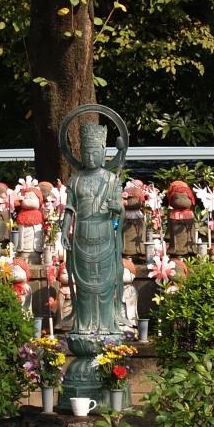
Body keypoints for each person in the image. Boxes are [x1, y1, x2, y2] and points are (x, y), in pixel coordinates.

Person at [63, 120, 125, 340]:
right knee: (85, 286)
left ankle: (107, 325)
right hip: (82, 234)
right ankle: (83, 324)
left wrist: (117, 207)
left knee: (105, 284)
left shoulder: (111, 180)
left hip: (104, 233)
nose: (90, 157)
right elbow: (69, 209)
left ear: (103, 152)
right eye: (86, 153)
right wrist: (64, 231)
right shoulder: (75, 180)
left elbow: (120, 209)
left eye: (94, 153)